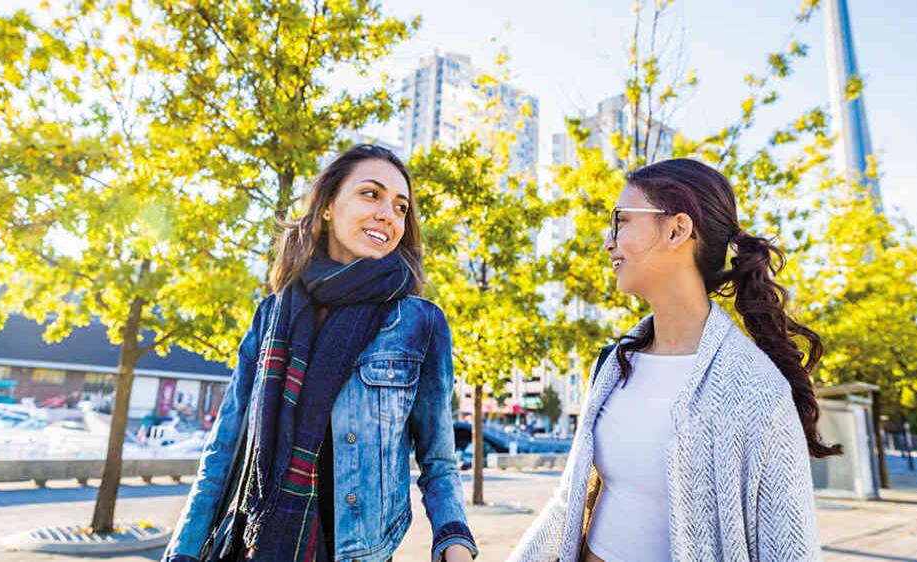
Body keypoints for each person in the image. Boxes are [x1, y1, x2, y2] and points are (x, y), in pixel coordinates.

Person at [508, 158, 840, 562]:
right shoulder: (613, 364)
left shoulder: (758, 392)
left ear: (677, 229)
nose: (608, 242)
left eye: (621, 221)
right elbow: (568, 504)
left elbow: (791, 551)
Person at [163, 145, 477, 562]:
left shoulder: (419, 324)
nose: (389, 214)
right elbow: (224, 447)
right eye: (371, 194)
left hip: (359, 552)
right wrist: (183, 551)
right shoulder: (272, 315)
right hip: (251, 547)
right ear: (328, 206)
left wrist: (454, 541)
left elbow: (437, 460)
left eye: (401, 207)